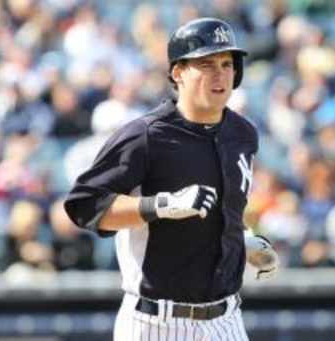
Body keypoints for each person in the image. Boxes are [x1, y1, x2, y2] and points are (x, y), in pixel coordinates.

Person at [64, 17, 278, 341]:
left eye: (226, 63)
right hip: (156, 323)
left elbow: (226, 207)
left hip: (227, 320)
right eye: (205, 64)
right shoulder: (145, 135)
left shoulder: (243, 133)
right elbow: (85, 206)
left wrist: (239, 240)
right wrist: (159, 205)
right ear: (177, 73)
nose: (220, 73)